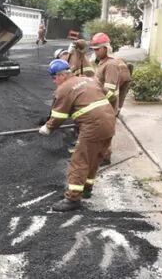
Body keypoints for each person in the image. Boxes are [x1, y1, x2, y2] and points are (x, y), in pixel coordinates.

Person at [38, 59, 116, 212]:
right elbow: (111, 96)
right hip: (109, 122)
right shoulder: (88, 79)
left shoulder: (64, 88)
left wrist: (47, 128)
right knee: (94, 157)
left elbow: (59, 116)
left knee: (79, 160)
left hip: (94, 126)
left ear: (61, 75)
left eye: (54, 78)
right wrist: (85, 111)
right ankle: (86, 188)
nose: (54, 81)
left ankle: (73, 198)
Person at [90, 32, 132, 166]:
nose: (95, 52)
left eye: (98, 49)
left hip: (106, 106)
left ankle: (105, 158)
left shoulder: (111, 65)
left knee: (104, 134)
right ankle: (100, 155)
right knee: (99, 133)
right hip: (101, 105)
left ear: (106, 48)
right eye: (94, 49)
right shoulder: (103, 63)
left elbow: (110, 92)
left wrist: (101, 105)